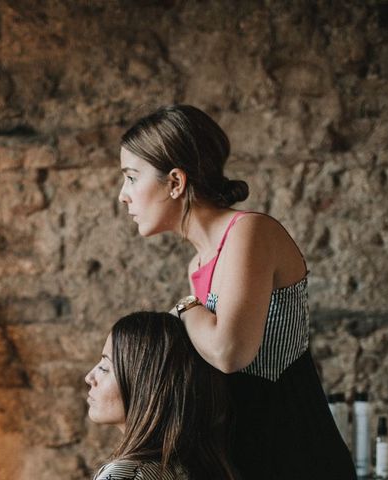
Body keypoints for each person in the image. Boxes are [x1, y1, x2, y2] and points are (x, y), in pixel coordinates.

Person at [117, 105, 356, 480]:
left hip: (297, 453)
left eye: (131, 177)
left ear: (176, 182)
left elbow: (229, 352)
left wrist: (184, 307)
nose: (123, 195)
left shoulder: (250, 232)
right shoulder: (197, 265)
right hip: (244, 457)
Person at [85, 311, 237, 480]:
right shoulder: (182, 467)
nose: (89, 377)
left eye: (104, 367)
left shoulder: (126, 474)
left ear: (145, 385)